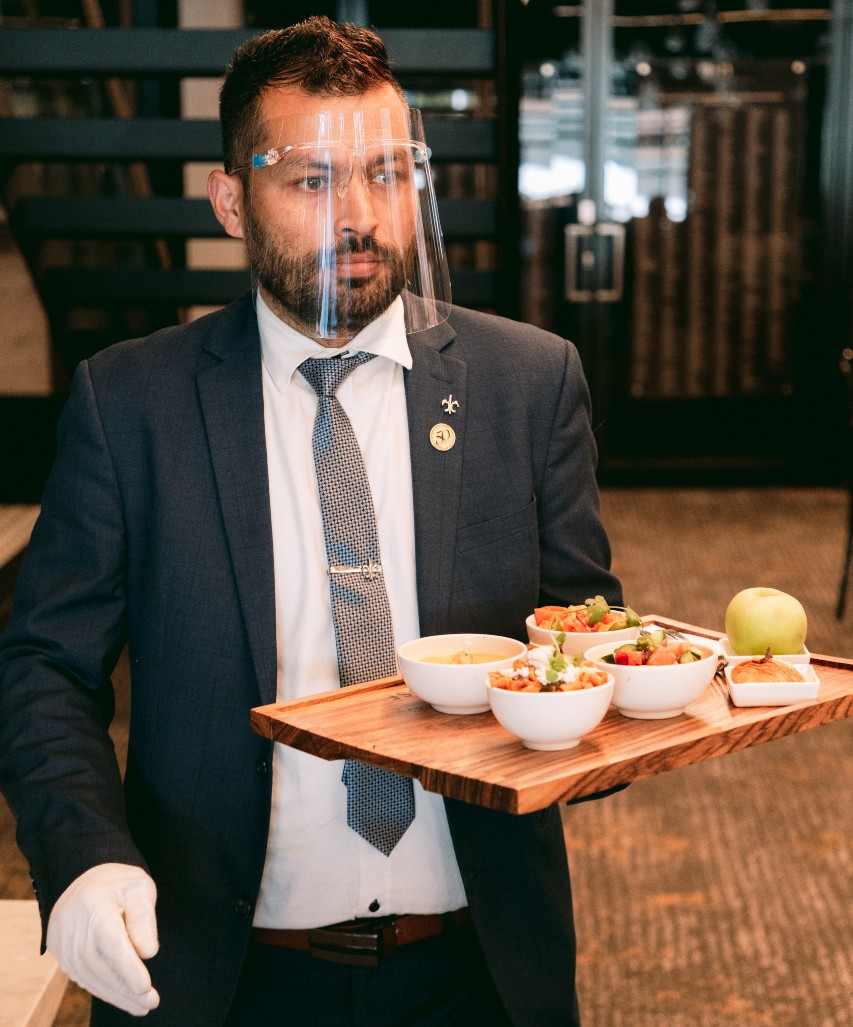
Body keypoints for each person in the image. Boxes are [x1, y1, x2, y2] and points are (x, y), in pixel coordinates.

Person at [0, 17, 622, 1026]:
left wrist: (618, 708)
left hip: (478, 969)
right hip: (219, 972)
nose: (360, 215)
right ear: (232, 202)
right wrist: (80, 859)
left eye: (385, 172)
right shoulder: (130, 406)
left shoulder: (529, 383)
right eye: (312, 181)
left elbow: (584, 629)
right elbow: (42, 669)